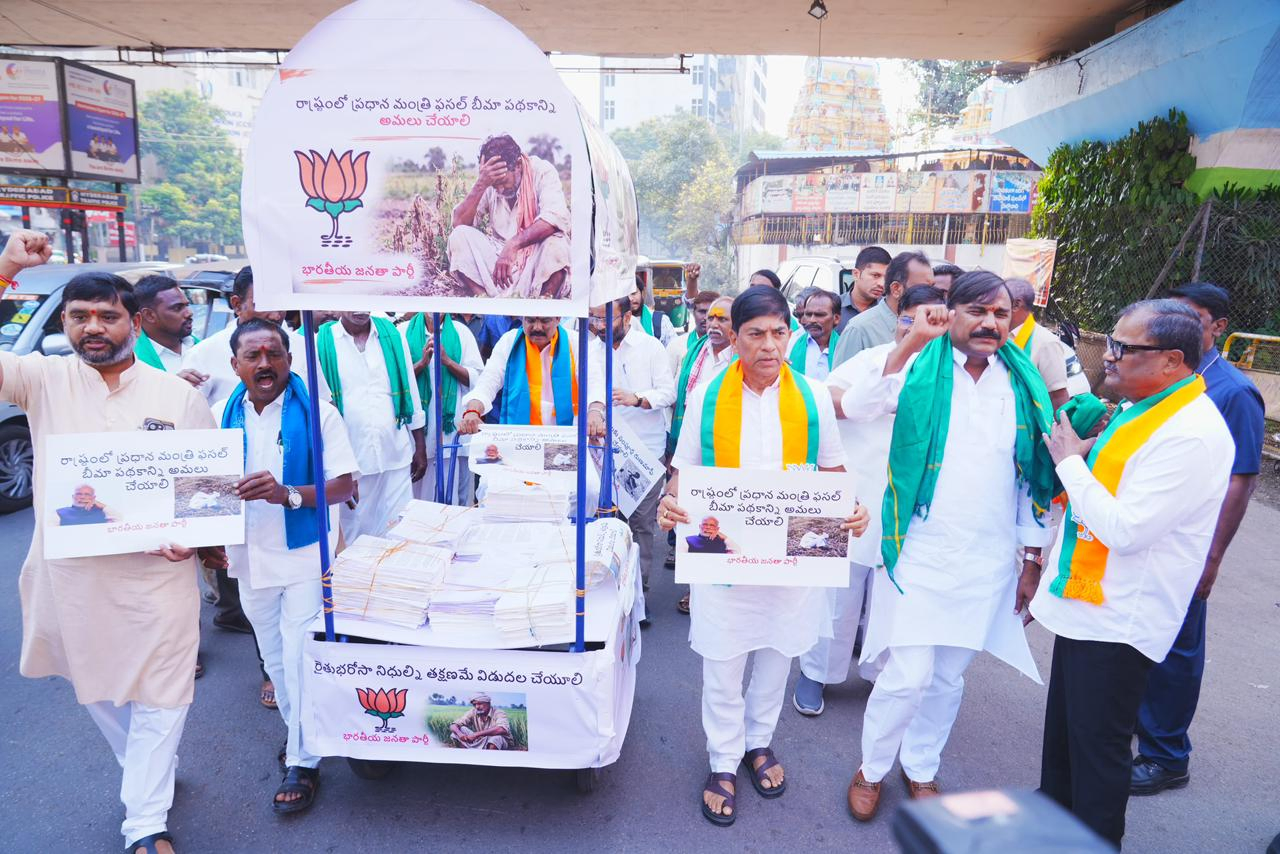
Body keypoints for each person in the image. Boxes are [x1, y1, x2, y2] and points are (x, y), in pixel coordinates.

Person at [0, 230, 218, 854]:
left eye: (106, 316)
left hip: (155, 579)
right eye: (78, 317)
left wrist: (194, 540)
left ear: (133, 322)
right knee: (99, 688)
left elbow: (202, 490)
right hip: (73, 578)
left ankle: (144, 825)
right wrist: (8, 266)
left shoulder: (175, 394)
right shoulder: (41, 381)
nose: (92, 328)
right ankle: (151, 776)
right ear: (65, 324)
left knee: (163, 691)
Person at [846, 271, 1058, 822]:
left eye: (1002, 314)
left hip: (986, 557)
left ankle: (921, 768)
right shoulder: (920, 362)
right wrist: (912, 340)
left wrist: (1031, 558)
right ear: (953, 312)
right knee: (907, 675)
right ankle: (871, 770)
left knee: (947, 677)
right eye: (978, 311)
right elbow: (862, 403)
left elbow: (1028, 479)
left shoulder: (1022, 382)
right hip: (917, 548)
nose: (990, 323)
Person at [657, 285, 869, 827]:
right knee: (724, 666)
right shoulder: (708, 394)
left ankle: (759, 744)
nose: (769, 346)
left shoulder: (813, 397)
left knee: (776, 659)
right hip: (723, 561)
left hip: (791, 560)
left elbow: (833, 472)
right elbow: (683, 467)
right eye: (756, 334)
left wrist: (855, 508)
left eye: (779, 333)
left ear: (790, 334)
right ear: (735, 337)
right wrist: (670, 502)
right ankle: (723, 760)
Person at [1031, 299, 1233, 848]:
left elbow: (1126, 529)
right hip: (1088, 606)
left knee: (1097, 759)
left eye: (1124, 348)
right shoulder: (1144, 406)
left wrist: (1070, 460)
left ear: (1172, 360)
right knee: (1066, 747)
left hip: (1120, 620)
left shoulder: (1190, 431)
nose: (1110, 356)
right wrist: (1087, 454)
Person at [214, 318, 359, 816]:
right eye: (251, 356)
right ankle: (303, 734)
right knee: (274, 661)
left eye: (273, 354)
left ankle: (303, 759)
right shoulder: (220, 414)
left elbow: (344, 486)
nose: (263, 364)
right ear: (234, 366)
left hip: (302, 555)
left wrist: (286, 495)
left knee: (298, 658)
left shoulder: (319, 412)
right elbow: (203, 483)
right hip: (248, 556)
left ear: (289, 361)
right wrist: (207, 537)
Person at [1128, 283, 1265, 797]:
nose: (1176, 325)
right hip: (1148, 536)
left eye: (1191, 318)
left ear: (1217, 328)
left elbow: (1241, 480)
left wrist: (1212, 558)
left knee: (1176, 649)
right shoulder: (1165, 381)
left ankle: (1167, 757)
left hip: (1187, 548)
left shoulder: (1231, 392)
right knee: (1142, 641)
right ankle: (1138, 734)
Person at [793, 284, 947, 717]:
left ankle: (881, 675)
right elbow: (847, 405)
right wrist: (902, 355)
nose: (915, 329)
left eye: (928, 321)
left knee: (891, 594)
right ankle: (815, 673)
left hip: (906, 504)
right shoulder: (872, 358)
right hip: (850, 492)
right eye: (907, 319)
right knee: (835, 593)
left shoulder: (947, 373)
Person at [588, 296, 675, 600]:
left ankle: (638, 595)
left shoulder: (650, 347)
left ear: (627, 317)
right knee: (609, 522)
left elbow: (668, 392)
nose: (598, 326)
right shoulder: (590, 350)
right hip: (604, 452)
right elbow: (590, 390)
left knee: (640, 524)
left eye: (605, 319)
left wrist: (636, 398)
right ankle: (609, 594)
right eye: (593, 319)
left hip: (645, 453)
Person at [315, 311, 425, 541]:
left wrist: (420, 445)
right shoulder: (322, 342)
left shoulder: (392, 335)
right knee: (358, 535)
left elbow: (410, 388)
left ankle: (395, 577)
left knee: (401, 531)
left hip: (395, 451)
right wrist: (340, 469)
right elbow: (322, 407)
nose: (359, 310)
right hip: (353, 461)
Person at [178, 266, 330, 405]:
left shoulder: (303, 346)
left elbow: (323, 403)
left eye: (281, 304)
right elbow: (187, 414)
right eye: (265, 305)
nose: (276, 315)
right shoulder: (203, 354)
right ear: (237, 304)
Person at [449, 134, 571, 299]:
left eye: (503, 182)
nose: (498, 189)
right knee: (459, 235)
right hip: (500, 263)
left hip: (533, 255)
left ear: (518, 165)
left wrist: (514, 244)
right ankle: (485, 302)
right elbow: (459, 223)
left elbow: (554, 218)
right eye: (494, 184)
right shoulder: (489, 179)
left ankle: (541, 304)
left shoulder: (542, 171)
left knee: (557, 243)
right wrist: (481, 184)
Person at [457, 315, 605, 438]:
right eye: (531, 320)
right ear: (522, 319)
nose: (537, 327)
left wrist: (594, 412)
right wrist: (473, 411)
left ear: (558, 319)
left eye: (545, 321)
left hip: (566, 438)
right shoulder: (509, 342)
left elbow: (594, 382)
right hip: (520, 439)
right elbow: (488, 381)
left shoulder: (578, 343)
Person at [403, 312, 484, 505]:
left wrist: (447, 361)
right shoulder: (402, 331)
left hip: (452, 427)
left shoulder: (461, 333)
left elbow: (477, 380)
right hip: (417, 432)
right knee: (416, 495)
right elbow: (397, 382)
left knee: (454, 492)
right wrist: (422, 363)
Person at [832, 251, 934, 367]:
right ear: (896, 289)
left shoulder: (932, 326)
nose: (931, 294)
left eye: (932, 287)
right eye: (923, 288)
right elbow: (841, 382)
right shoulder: (859, 329)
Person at [1007, 278, 1070, 411]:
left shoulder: (1046, 342)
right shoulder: (998, 334)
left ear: (1016, 305)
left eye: (999, 299)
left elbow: (1058, 397)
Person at [133, 275, 197, 372]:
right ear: (149, 315)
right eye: (177, 308)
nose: (189, 313)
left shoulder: (202, 346)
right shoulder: (129, 360)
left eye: (187, 305)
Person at [788, 289, 841, 381]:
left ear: (836, 318)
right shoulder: (790, 343)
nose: (812, 320)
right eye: (808, 314)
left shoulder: (844, 347)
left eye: (819, 315)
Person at [838, 246, 892, 332]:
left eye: (886, 277)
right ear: (856, 274)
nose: (882, 284)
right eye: (875, 276)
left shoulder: (889, 311)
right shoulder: (834, 308)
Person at [667, 290, 720, 376]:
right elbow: (667, 383)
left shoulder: (727, 349)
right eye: (702, 312)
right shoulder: (676, 345)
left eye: (711, 312)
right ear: (693, 313)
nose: (706, 317)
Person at [631, 274, 675, 345]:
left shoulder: (661, 321)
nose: (630, 299)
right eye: (626, 295)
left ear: (643, 293)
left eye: (633, 293)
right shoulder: (616, 324)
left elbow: (674, 350)